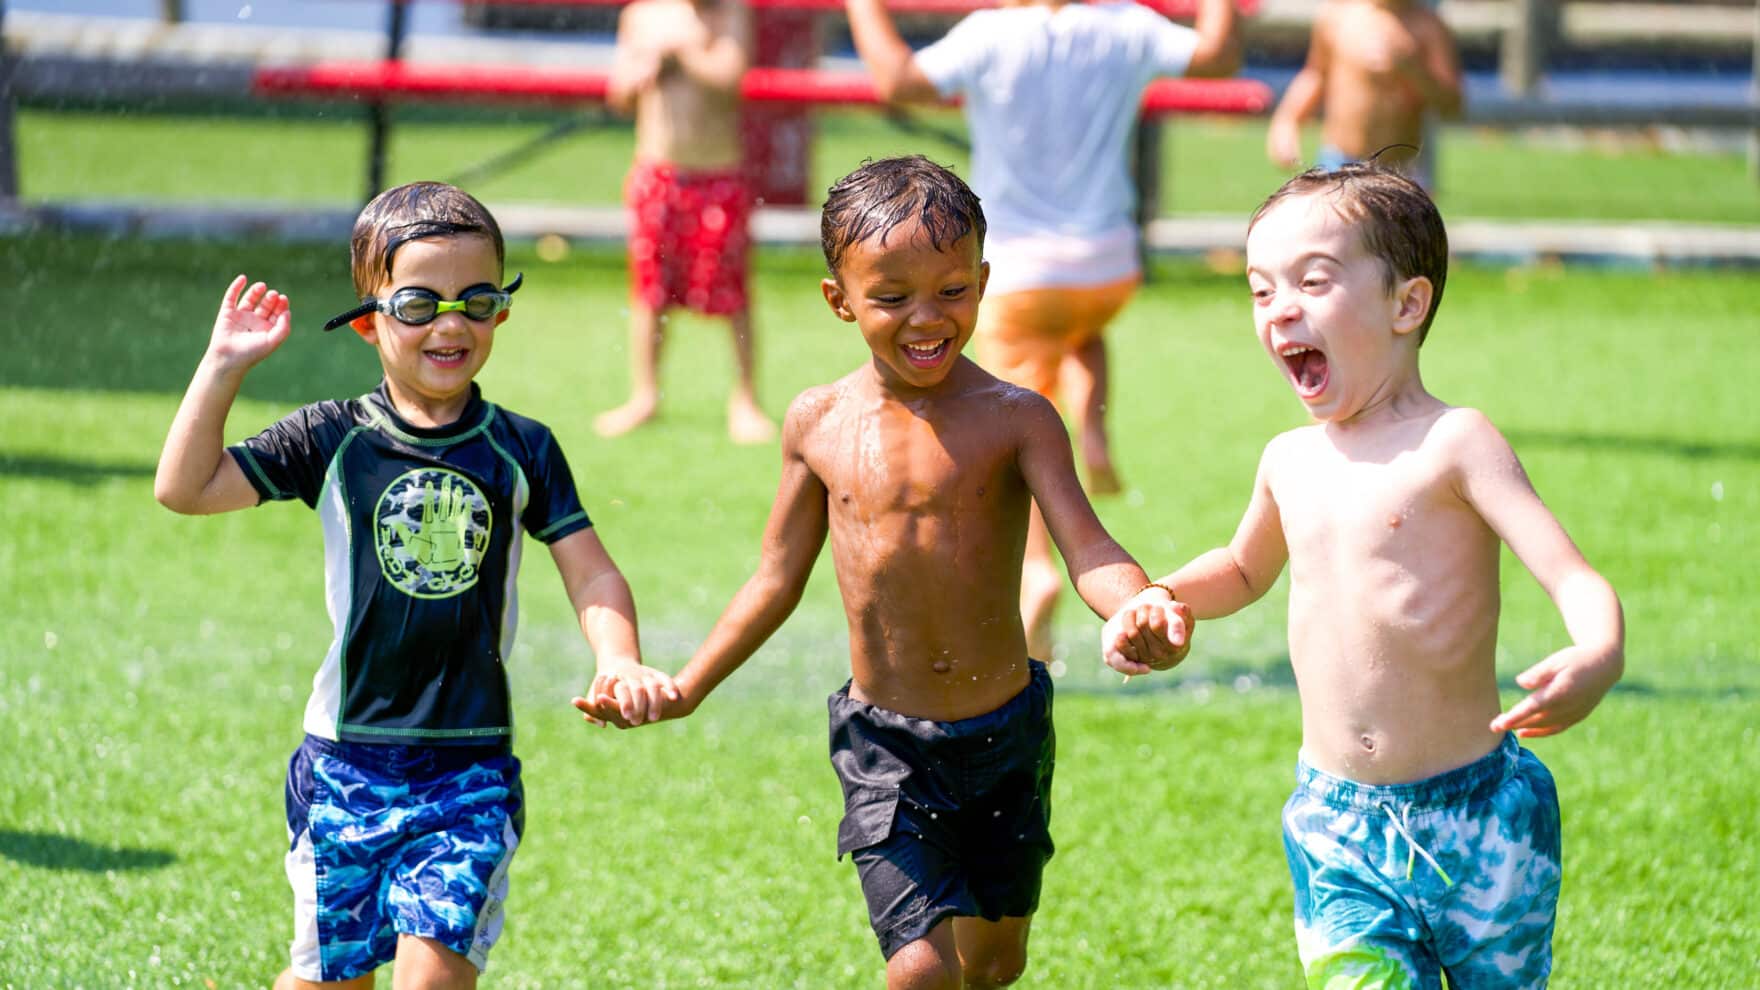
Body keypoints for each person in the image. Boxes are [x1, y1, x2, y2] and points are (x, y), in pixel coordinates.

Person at [578, 156, 1193, 990]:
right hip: (885, 746)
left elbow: (1087, 546)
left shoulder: (1018, 421)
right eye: (893, 297)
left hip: (1006, 733)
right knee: (917, 972)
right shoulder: (817, 422)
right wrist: (687, 686)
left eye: (951, 291)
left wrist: (1139, 603)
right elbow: (774, 578)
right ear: (841, 300)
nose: (927, 318)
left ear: (982, 281)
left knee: (997, 962)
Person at [1103, 164, 1624, 988]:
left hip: (1479, 819)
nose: (1279, 308)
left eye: (1312, 281)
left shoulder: (1455, 444)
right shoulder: (1289, 459)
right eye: (1260, 289)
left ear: (1406, 305)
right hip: (1335, 823)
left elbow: (1571, 574)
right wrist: (1160, 598)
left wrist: (1600, 650)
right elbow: (1242, 569)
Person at [154, 181, 678, 989]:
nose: (450, 322)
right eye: (418, 302)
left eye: (475, 300)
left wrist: (620, 657)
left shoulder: (522, 449)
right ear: (369, 319)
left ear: (501, 310)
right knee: (328, 978)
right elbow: (185, 488)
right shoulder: (331, 436)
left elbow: (592, 568)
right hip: (343, 762)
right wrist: (222, 367)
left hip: (468, 771)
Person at [845, 0, 1242, 660]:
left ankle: (1035, 572)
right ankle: (1093, 425)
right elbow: (1217, 58)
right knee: (1080, 333)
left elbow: (899, 81)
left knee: (1018, 433)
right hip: (1109, 264)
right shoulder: (1128, 25)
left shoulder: (989, 35)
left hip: (1022, 274)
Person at [595, 0, 776, 445]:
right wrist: (638, 77)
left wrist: (681, 54)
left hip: (718, 174)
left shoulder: (730, 12)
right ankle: (644, 396)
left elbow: (730, 81)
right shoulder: (641, 15)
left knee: (732, 292)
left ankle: (746, 399)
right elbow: (617, 95)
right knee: (649, 291)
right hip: (657, 173)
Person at [1264, 0, 1463, 186]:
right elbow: (1316, 75)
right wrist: (1287, 122)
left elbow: (1452, 105)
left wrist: (1412, 69)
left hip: (1401, 166)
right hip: (1338, 160)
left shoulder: (1428, 26)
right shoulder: (1338, 15)